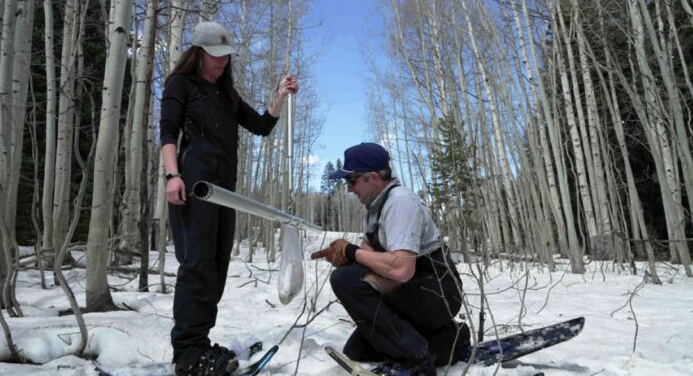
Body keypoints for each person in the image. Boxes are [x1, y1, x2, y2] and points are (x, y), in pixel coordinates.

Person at [160, 21, 298, 376]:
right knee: (197, 265)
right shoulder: (182, 84)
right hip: (194, 187)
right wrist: (172, 175)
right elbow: (168, 133)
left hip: (225, 194)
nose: (222, 63)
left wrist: (280, 96)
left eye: (226, 57)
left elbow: (263, 125)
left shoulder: (226, 95)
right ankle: (188, 353)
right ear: (198, 53)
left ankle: (201, 342)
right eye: (215, 56)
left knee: (218, 267)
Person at [311, 142, 469, 376]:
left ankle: (417, 357)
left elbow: (402, 268)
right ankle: (448, 341)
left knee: (344, 280)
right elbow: (368, 254)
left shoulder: (400, 202)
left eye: (351, 181)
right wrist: (345, 257)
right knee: (358, 350)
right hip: (414, 290)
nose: (350, 189)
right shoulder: (376, 207)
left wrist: (352, 252)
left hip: (437, 293)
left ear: (372, 177)